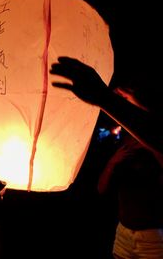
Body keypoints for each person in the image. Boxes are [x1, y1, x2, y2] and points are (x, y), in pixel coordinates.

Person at [50, 56, 163, 258]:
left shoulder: (153, 151)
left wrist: (104, 98)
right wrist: (113, 161)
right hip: (123, 233)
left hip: (154, 238)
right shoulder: (125, 150)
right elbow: (101, 188)